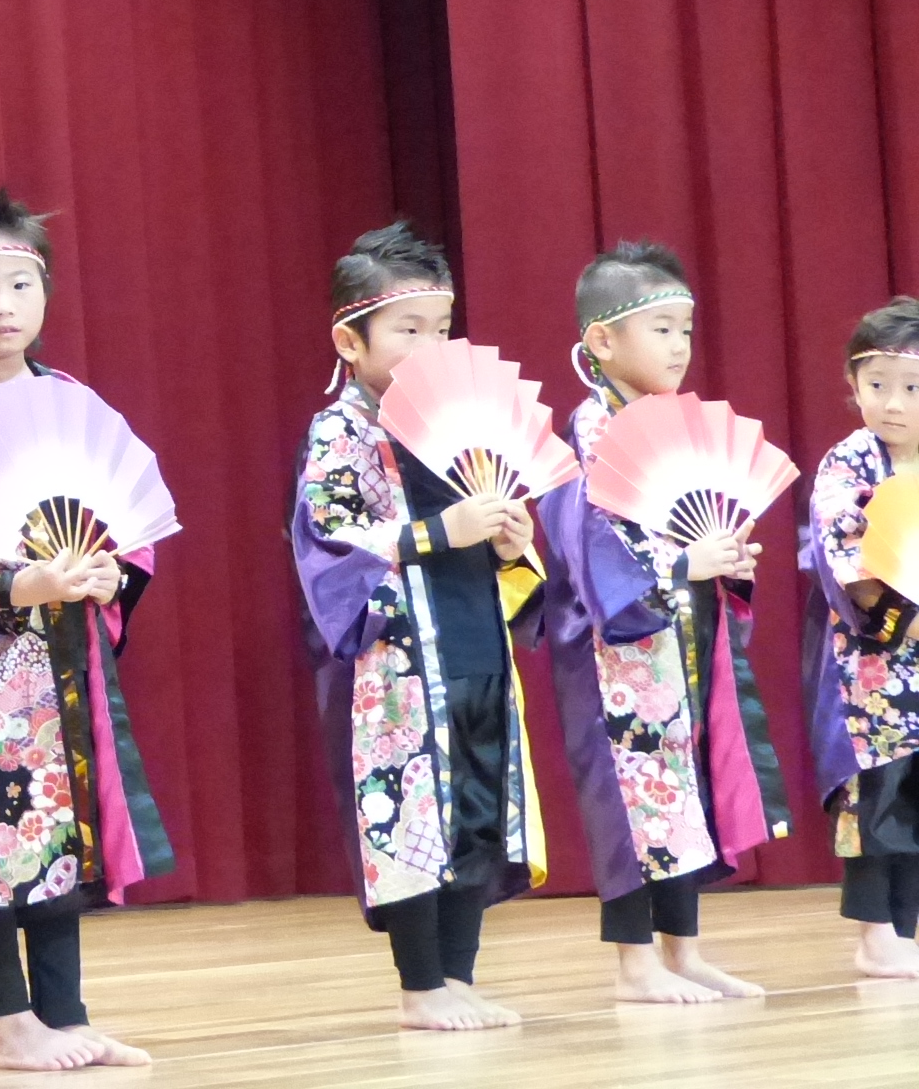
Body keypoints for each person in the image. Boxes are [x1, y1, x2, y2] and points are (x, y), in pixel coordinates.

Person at [0, 192, 164, 1071]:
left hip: (64, 652)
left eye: (20, 284)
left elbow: (124, 523)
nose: (3, 306)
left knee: (63, 826)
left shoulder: (70, 400)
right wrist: (20, 584)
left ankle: (66, 1013)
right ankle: (11, 1023)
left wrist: (110, 571)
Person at [290, 222, 541, 1031]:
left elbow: (493, 531)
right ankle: (420, 984)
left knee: (474, 804)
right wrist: (439, 532)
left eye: (441, 329)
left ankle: (458, 974)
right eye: (408, 330)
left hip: (475, 639)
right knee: (407, 809)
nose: (431, 347)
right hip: (396, 660)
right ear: (349, 341)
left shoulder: (465, 424)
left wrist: (511, 543)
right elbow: (332, 541)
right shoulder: (340, 430)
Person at [540, 243, 784, 1002]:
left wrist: (726, 561)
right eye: (661, 329)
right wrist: (682, 566)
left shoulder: (674, 424)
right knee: (630, 793)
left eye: (685, 329)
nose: (680, 346)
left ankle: (685, 952)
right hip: (614, 642)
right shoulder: (591, 428)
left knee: (683, 788)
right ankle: (635, 963)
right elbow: (590, 545)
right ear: (602, 341)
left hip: (680, 632)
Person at [807, 296, 919, 979]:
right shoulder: (849, 463)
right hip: (871, 666)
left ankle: (906, 929)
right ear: (853, 385)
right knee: (876, 791)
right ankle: (876, 933)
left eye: (912, 388)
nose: (893, 403)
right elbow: (846, 556)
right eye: (877, 384)